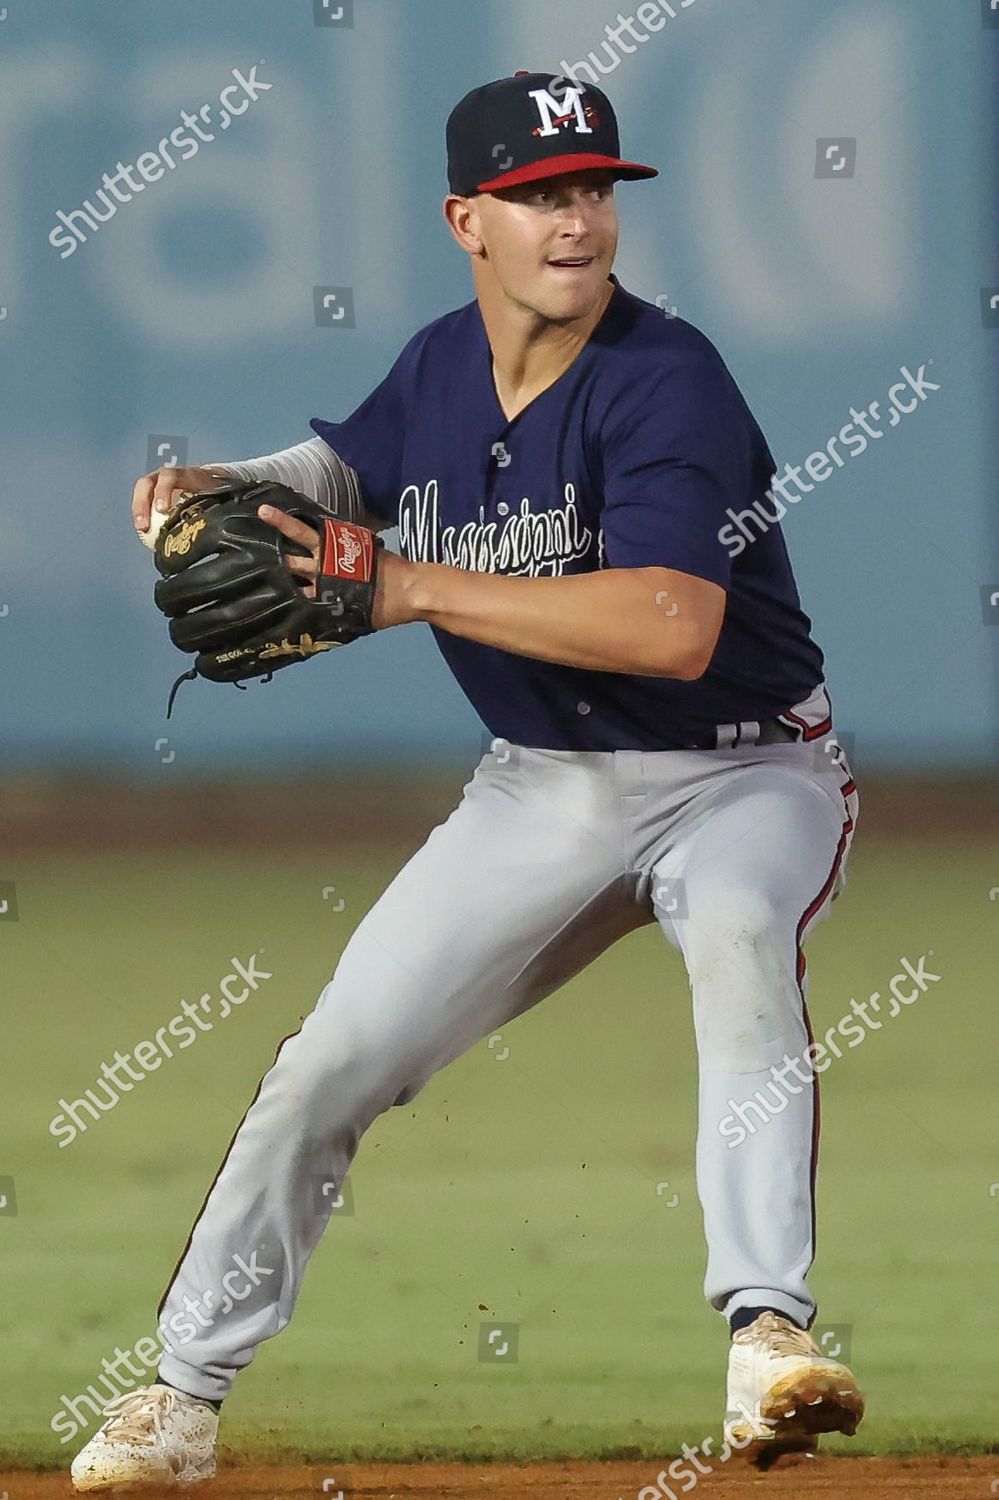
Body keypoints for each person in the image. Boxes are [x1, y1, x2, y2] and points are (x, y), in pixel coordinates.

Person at [71, 71, 864, 1492]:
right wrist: (220, 480)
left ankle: (769, 1335)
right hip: (543, 785)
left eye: (593, 191)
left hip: (748, 775)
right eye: (538, 195)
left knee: (741, 932)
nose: (576, 220)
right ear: (467, 222)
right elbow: (346, 469)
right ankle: (179, 1400)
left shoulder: (664, 376)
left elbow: (676, 630)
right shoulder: (443, 365)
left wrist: (407, 590)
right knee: (331, 1064)